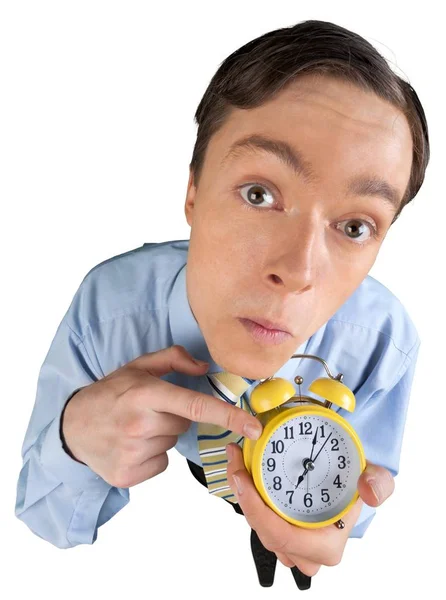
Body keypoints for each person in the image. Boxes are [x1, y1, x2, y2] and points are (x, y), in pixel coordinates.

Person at [15, 18, 429, 586]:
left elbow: (358, 507)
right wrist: (73, 440)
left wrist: (336, 517)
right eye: (260, 194)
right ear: (192, 192)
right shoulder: (109, 312)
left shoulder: (382, 341)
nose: (298, 272)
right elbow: (44, 517)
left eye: (355, 227)